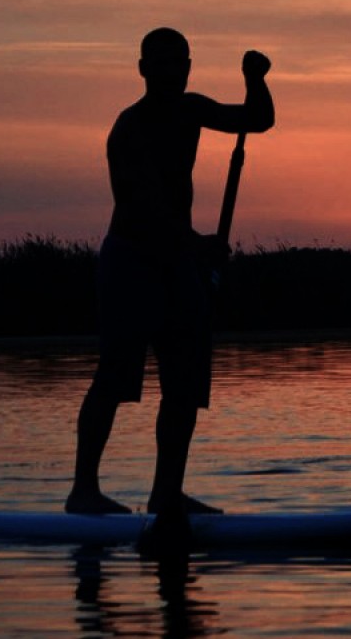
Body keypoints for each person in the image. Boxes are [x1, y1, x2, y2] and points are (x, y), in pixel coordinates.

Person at [66, 27, 274, 538]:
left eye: (178, 62)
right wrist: (197, 244)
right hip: (132, 262)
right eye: (159, 63)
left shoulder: (192, 109)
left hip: (177, 266)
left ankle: (166, 491)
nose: (169, 71)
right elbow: (144, 207)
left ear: (188, 67)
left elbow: (257, 120)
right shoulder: (128, 129)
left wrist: (256, 80)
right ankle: (83, 491)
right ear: (142, 70)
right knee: (115, 378)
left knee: (184, 384)